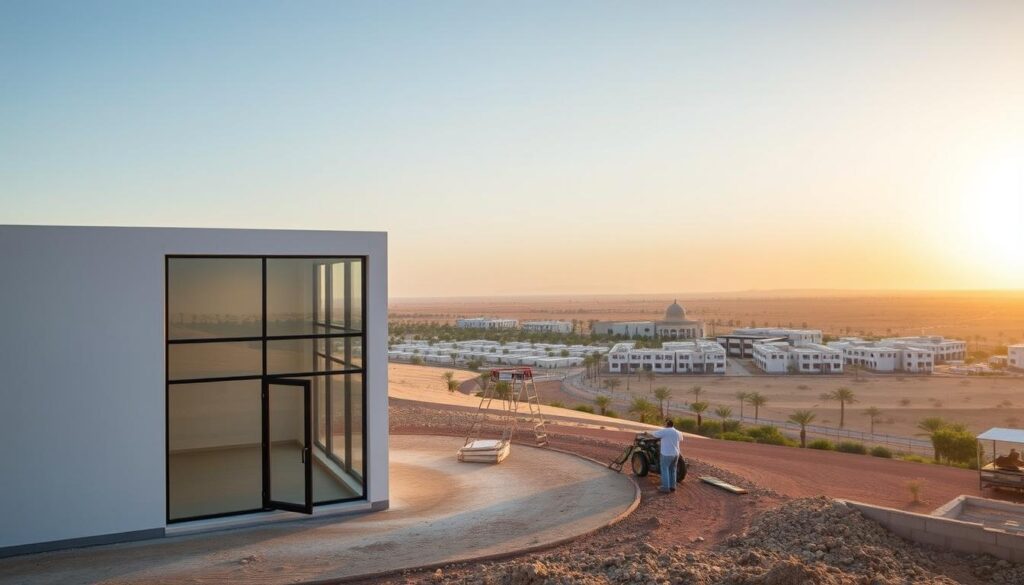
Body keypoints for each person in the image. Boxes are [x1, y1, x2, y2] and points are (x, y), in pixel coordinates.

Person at [648, 419, 684, 492]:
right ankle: (672, 486)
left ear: (667, 424)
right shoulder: (678, 432)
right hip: (676, 454)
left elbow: (654, 434)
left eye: (665, 424)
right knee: (673, 470)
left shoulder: (665, 431)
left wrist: (647, 432)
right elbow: (681, 439)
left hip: (666, 454)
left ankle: (665, 487)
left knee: (665, 469)